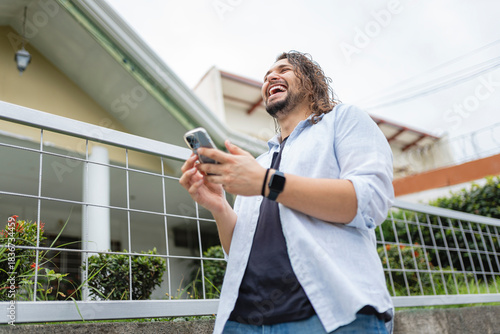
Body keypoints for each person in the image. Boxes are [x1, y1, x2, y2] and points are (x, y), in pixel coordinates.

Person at [179, 51, 394, 334]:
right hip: (244, 321)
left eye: (284, 70)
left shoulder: (344, 120)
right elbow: (240, 250)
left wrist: (268, 183)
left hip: (334, 316)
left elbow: (370, 203)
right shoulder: (257, 165)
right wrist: (219, 207)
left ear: (310, 82)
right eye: (267, 75)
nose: (271, 77)